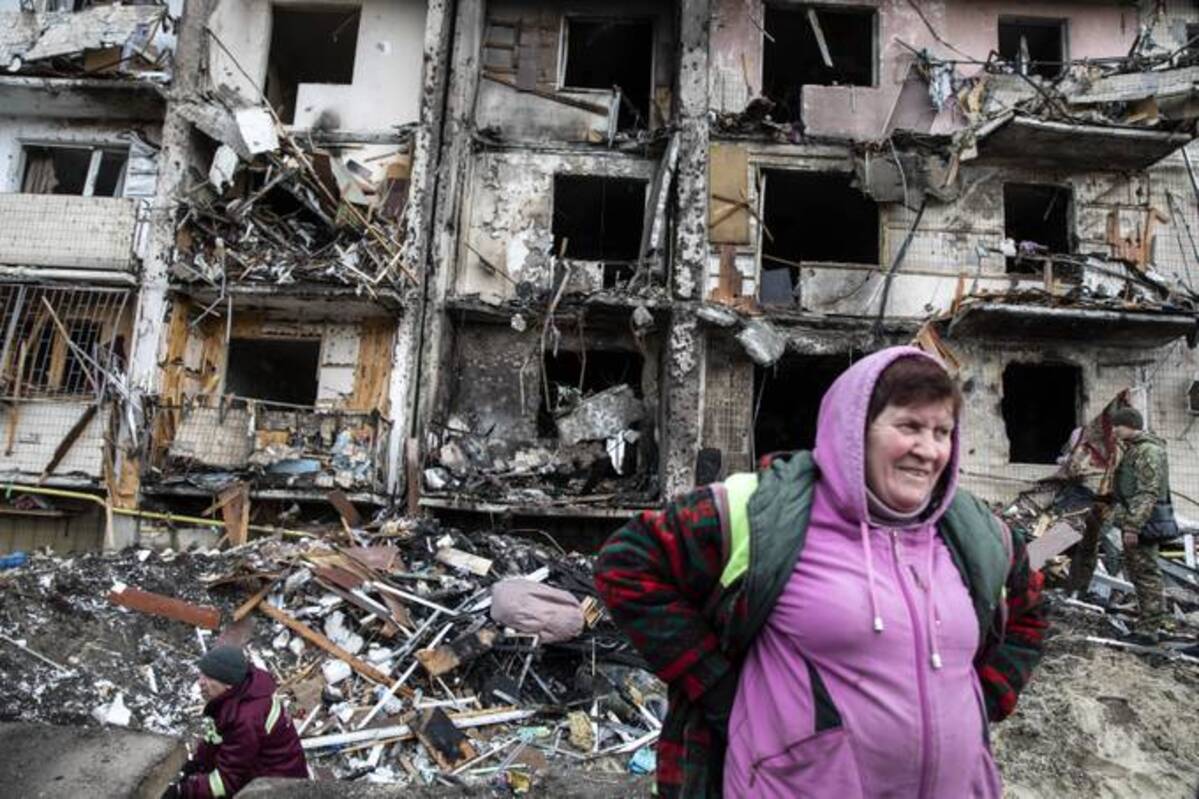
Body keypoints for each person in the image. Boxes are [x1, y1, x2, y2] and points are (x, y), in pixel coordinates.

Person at [595, 347, 1048, 798]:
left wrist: (982, 701)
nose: (927, 450)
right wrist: (718, 687)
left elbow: (1030, 614)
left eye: (942, 432)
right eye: (909, 426)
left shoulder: (977, 534)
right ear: (855, 431)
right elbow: (628, 563)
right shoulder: (762, 513)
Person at [163, 646, 308, 798]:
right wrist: (198, 764)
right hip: (262, 767)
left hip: (278, 786)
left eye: (209, 678)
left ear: (228, 684)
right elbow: (216, 737)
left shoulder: (246, 719)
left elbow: (226, 782)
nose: (200, 682)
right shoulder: (240, 693)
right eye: (202, 674)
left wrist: (182, 792)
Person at [1107, 407, 1174, 635]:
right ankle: (1148, 624)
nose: (1114, 430)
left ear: (1130, 425)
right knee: (1138, 573)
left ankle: (1149, 631)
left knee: (1146, 575)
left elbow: (1147, 492)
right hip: (1135, 520)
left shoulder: (1147, 451)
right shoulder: (1134, 449)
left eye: (1118, 425)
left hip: (1143, 522)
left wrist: (1133, 526)